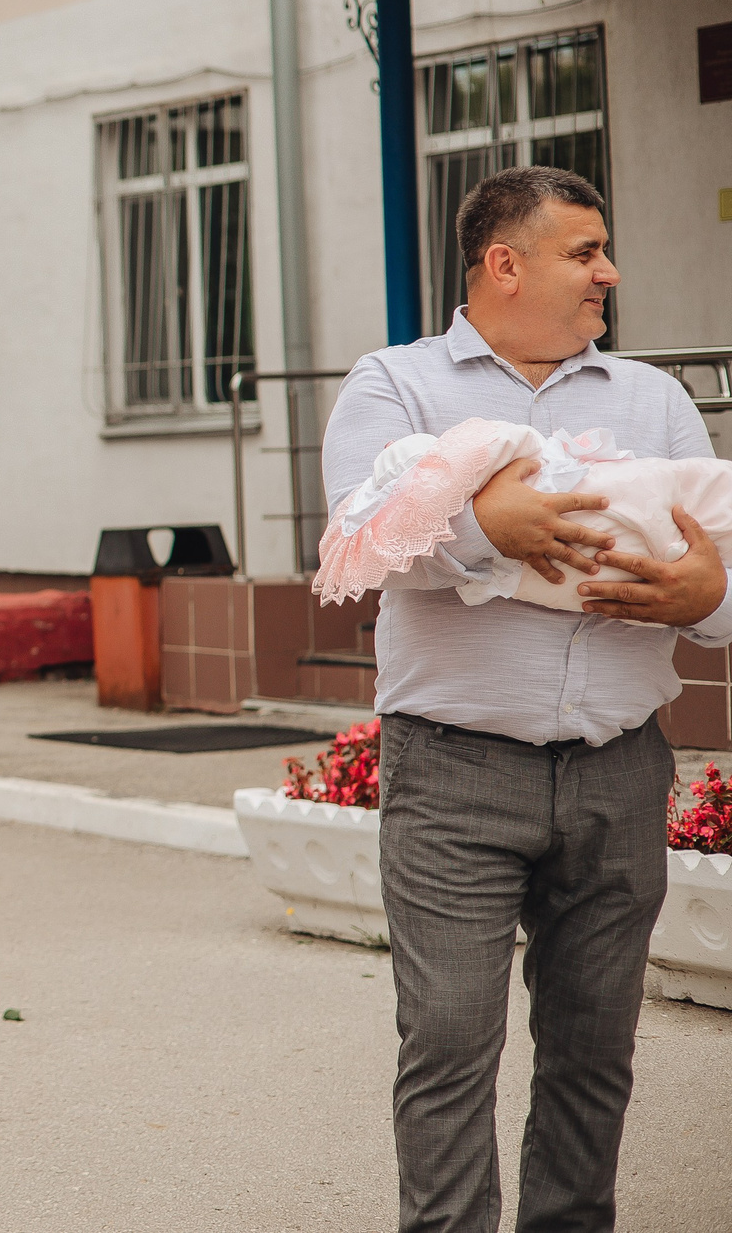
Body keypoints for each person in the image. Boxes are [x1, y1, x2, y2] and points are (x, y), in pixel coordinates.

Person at [321, 164, 732, 1233]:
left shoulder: (652, 399)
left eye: (604, 251)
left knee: (594, 1051)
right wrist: (477, 528)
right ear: (503, 263)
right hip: (455, 775)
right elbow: (360, 538)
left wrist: (709, 593)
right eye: (584, 251)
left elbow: (716, 568)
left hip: (619, 770)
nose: (610, 272)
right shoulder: (396, 387)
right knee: (450, 1042)